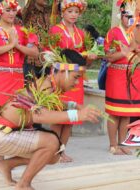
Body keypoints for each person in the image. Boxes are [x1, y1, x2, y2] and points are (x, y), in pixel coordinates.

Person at [0, 49, 102, 190]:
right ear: (62, 71)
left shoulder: (48, 84)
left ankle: (6, 165)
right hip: (2, 135)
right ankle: (23, 185)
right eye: (75, 77)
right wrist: (76, 115)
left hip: (5, 134)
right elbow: (40, 115)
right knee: (52, 142)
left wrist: (74, 105)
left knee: (54, 155)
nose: (76, 83)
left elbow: (53, 104)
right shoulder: (44, 86)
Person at [0, 0, 39, 171]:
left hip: (17, 77)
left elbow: (34, 52)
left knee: (17, 113)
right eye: (8, 10)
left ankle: (11, 156)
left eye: (14, 10)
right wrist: (11, 45)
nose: (12, 13)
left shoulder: (22, 31)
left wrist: (17, 44)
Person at [48, 0, 97, 162]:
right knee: (58, 116)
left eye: (76, 12)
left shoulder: (82, 34)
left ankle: (61, 152)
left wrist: (90, 57)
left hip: (76, 80)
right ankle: (51, 152)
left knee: (71, 117)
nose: (74, 15)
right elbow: (50, 56)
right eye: (70, 12)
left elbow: (84, 63)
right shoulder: (55, 30)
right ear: (62, 13)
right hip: (61, 79)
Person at [103, 0, 140, 155]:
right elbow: (109, 57)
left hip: (133, 76)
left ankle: (122, 143)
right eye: (126, 16)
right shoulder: (113, 32)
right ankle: (113, 145)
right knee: (114, 112)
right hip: (117, 75)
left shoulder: (136, 32)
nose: (129, 19)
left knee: (126, 112)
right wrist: (128, 50)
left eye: (133, 16)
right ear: (121, 15)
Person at [22, 0, 52, 79]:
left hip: (46, 60)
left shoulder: (49, 10)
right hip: (31, 60)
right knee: (30, 89)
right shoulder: (28, 11)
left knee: (46, 89)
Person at [84, 24, 107, 90]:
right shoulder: (93, 41)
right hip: (104, 63)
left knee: (101, 81)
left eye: (84, 32)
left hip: (107, 63)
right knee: (100, 81)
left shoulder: (99, 40)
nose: (83, 34)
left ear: (89, 32)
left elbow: (104, 53)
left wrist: (95, 56)